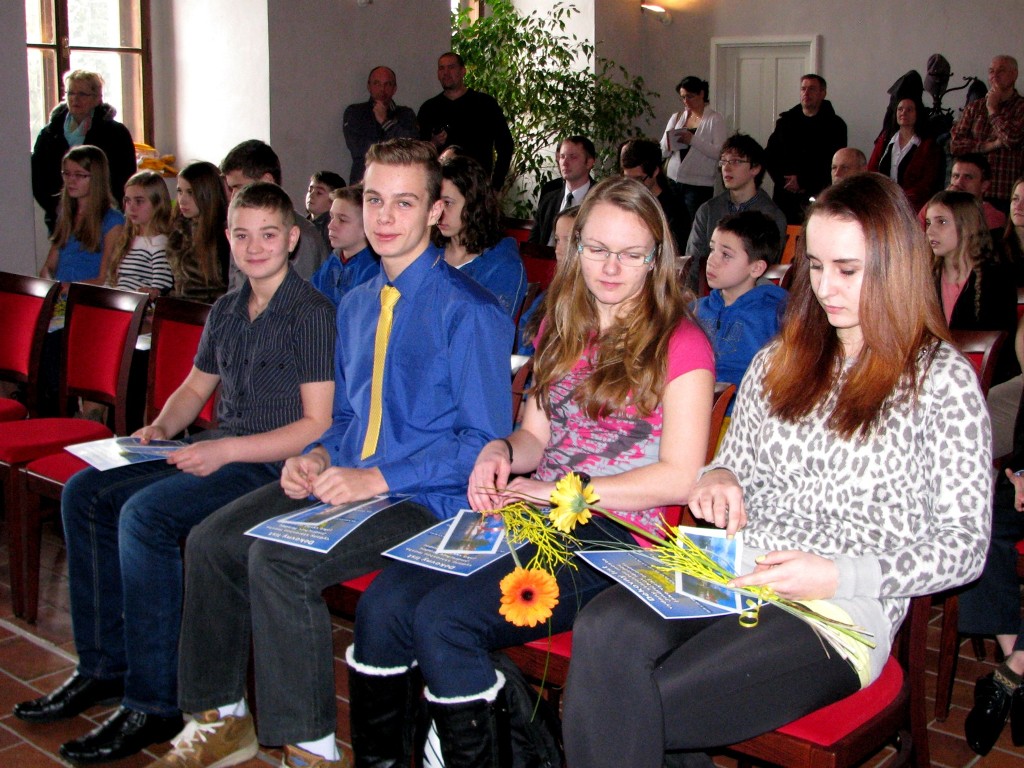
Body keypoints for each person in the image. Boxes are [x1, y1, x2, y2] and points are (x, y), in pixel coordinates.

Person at [561, 173, 992, 768]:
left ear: (897, 268)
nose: (826, 287)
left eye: (848, 269)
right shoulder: (780, 359)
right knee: (606, 629)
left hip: (837, 607)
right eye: (815, 266)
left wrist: (836, 574)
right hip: (737, 565)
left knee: (629, 704)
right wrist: (719, 477)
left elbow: (965, 546)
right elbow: (732, 462)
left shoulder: (940, 381)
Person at [150, 139, 513, 768]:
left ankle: (311, 748)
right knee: (211, 542)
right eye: (374, 199)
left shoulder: (470, 311)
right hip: (353, 478)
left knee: (277, 563)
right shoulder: (359, 302)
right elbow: (346, 417)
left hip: (428, 500)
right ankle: (221, 717)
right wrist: (317, 456)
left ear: (435, 211)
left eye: (405, 202)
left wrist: (376, 478)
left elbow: (482, 444)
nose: (385, 216)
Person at [348, 175, 714, 768]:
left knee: (444, 622)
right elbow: (535, 438)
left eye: (631, 254)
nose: (611, 267)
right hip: (534, 512)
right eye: (597, 249)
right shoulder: (561, 326)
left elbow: (678, 477)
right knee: (384, 606)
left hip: (616, 539)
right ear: (576, 246)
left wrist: (561, 493)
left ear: (657, 258)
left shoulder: (682, 342)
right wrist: (499, 451)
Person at [13, 181, 337, 765]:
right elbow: (193, 388)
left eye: (268, 235)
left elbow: (317, 424)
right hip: (218, 450)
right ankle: (103, 667)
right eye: (242, 235)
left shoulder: (311, 314)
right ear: (227, 237)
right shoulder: (228, 309)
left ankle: (155, 700)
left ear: (292, 239)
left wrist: (225, 450)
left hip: (271, 467)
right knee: (85, 493)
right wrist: (160, 427)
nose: (255, 247)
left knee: (147, 517)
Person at [694, 210, 786, 411]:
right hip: (690, 408)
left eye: (726, 255)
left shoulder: (775, 316)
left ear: (756, 268)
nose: (711, 260)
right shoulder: (694, 310)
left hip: (741, 416)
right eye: (712, 249)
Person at [926, 189, 1018, 384]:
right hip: (937, 377)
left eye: (941, 222)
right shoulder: (926, 278)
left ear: (968, 226)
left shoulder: (996, 279)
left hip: (986, 382)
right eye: (928, 223)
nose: (930, 231)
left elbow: (998, 351)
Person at [32, 69, 136, 234]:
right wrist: (58, 207)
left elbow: (125, 176)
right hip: (60, 218)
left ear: (97, 98)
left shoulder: (115, 133)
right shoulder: (49, 134)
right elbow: (38, 178)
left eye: (82, 94)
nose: (75, 99)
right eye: (71, 93)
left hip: (102, 217)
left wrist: (103, 207)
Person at [685, 134, 787, 294]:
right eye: (723, 161)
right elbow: (693, 262)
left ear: (755, 168)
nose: (726, 168)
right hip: (708, 295)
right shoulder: (708, 210)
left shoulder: (771, 216)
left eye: (736, 161)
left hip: (751, 296)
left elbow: (765, 269)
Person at [220, 139, 328, 284]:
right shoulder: (242, 230)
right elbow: (236, 287)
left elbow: (297, 294)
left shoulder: (304, 238)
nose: (233, 196)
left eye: (239, 187)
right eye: (230, 189)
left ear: (267, 181)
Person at [436, 155, 527, 317]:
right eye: (435, 203)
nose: (439, 212)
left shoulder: (502, 265)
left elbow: (490, 327)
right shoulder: (429, 251)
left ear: (473, 204)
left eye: (448, 203)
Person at [418, 52, 514, 190]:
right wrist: (433, 143)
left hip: (477, 188)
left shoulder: (485, 104)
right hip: (442, 189)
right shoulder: (429, 109)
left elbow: (505, 145)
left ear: (463, 71)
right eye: (441, 68)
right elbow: (420, 154)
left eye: (451, 67)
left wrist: (496, 185)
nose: (446, 73)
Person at [765, 74, 848, 224]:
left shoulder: (835, 126)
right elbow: (770, 156)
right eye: (803, 89)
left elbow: (833, 162)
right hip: (785, 197)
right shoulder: (785, 123)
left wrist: (802, 182)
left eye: (812, 89)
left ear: (822, 93)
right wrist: (785, 181)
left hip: (817, 196)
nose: (806, 93)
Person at [39, 145, 125, 285]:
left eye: (79, 175)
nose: (71, 180)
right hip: (61, 293)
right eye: (67, 174)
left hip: (87, 295)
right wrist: (50, 285)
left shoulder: (113, 221)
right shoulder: (66, 216)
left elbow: (105, 279)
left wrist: (69, 289)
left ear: (96, 178)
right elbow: (48, 267)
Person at [950, 55, 1024, 210]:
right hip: (969, 193)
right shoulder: (974, 107)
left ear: (1014, 74)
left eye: (1001, 71)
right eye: (991, 71)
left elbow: (1011, 139)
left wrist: (992, 109)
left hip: (1003, 193)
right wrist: (990, 145)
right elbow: (955, 145)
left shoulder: (1020, 107)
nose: (994, 76)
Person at [659, 75, 728, 222]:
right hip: (673, 180)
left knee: (695, 224)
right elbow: (663, 150)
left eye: (690, 96)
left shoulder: (715, 119)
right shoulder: (677, 117)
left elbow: (720, 153)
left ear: (701, 94)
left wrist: (692, 140)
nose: (686, 101)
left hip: (699, 184)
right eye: (683, 98)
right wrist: (671, 142)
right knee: (673, 223)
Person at [517, 205, 577, 355]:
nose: (558, 249)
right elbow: (525, 333)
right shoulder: (552, 292)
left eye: (568, 240)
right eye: (557, 240)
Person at [167, 161, 230, 303]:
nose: (182, 200)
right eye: (179, 191)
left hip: (211, 310)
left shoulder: (222, 235)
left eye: (190, 192)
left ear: (207, 193)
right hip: (182, 308)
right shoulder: (178, 232)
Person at [343, 65, 418, 184]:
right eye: (377, 83)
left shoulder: (406, 114)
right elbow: (358, 149)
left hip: (398, 181)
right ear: (369, 86)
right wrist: (393, 145)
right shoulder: (355, 112)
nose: (382, 89)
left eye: (388, 84)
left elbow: (410, 148)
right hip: (363, 182)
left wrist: (385, 122)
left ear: (394, 88)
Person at [867, 95, 942, 211]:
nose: (903, 113)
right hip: (882, 202)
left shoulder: (928, 146)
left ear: (918, 114)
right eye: (900, 109)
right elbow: (872, 170)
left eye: (909, 110)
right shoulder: (885, 140)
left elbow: (926, 183)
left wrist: (899, 200)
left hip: (912, 207)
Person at [106, 170, 174, 296]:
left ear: (157, 204)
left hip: (139, 305)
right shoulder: (128, 238)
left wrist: (151, 292)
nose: (131, 208)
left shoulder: (159, 242)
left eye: (139, 201)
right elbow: (115, 280)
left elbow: (160, 286)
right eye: (128, 201)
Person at [311, 185, 378, 308]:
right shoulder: (334, 259)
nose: (330, 226)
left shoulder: (374, 270)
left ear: (367, 227)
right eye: (332, 217)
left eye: (342, 220)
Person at [621, 137, 692, 251]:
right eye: (627, 179)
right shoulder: (622, 201)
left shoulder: (675, 209)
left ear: (655, 171)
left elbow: (675, 249)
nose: (632, 185)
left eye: (638, 179)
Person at [528, 135, 596, 246]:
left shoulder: (600, 199)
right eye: (562, 157)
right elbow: (533, 244)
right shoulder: (548, 199)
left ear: (589, 163)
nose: (564, 163)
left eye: (573, 157)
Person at [919, 154, 1008, 232]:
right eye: (955, 176)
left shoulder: (992, 216)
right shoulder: (932, 206)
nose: (958, 182)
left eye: (968, 177)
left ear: (984, 185)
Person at [306, 170, 346, 251]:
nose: (311, 195)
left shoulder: (332, 228)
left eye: (319, 193)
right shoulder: (302, 223)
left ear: (333, 200)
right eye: (310, 190)